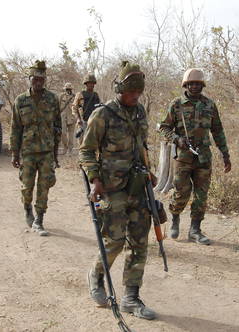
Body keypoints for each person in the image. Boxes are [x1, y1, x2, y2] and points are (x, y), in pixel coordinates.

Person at [80, 61, 156, 320]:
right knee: (114, 240)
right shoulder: (102, 115)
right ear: (119, 89)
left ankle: (131, 297)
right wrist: (94, 180)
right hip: (111, 188)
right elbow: (86, 151)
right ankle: (97, 275)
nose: (135, 96)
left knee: (139, 241)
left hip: (138, 185)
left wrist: (149, 170)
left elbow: (142, 145)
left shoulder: (140, 112)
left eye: (138, 92)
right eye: (131, 91)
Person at [159, 68, 231, 245]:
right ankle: (175, 218)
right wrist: (177, 139)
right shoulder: (176, 105)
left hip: (203, 158)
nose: (195, 86)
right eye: (191, 83)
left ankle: (195, 230)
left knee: (201, 195)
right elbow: (164, 127)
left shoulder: (209, 105)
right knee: (182, 192)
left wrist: (225, 154)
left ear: (202, 85)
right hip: (183, 158)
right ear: (186, 84)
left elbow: (218, 130)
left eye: (198, 84)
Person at [10, 60, 61, 236]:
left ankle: (39, 219)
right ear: (30, 79)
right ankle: (27, 209)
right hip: (27, 151)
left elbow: (57, 127)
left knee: (44, 185)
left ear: (44, 80)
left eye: (41, 79)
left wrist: (55, 155)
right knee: (27, 186)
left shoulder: (53, 99)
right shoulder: (20, 100)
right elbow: (16, 127)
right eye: (35, 79)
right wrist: (14, 153)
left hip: (46, 151)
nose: (38, 82)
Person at [72, 74, 100, 144]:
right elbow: (74, 108)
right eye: (90, 83)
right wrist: (78, 119)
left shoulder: (96, 95)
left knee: (93, 144)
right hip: (83, 122)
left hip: (93, 122)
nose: (92, 85)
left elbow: (99, 108)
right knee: (82, 144)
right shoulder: (80, 94)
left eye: (93, 83)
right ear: (86, 84)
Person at [59, 82, 76, 154]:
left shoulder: (75, 97)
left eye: (69, 89)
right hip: (63, 116)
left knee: (71, 134)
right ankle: (65, 147)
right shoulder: (61, 96)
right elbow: (58, 106)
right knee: (63, 133)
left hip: (72, 117)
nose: (68, 90)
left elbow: (78, 107)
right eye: (67, 89)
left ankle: (70, 149)